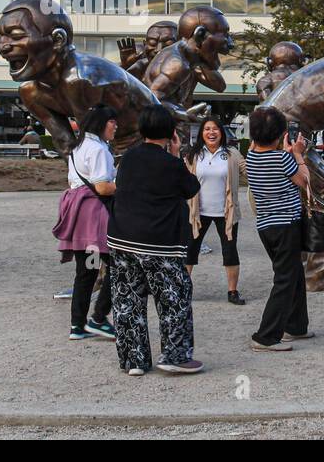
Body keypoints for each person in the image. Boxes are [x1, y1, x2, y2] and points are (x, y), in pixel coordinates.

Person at [108, 105, 203, 374]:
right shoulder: (171, 165)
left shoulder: (127, 159)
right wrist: (176, 155)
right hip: (159, 242)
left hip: (122, 237)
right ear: (171, 132)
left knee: (127, 300)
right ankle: (175, 356)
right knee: (174, 299)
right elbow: (191, 188)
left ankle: (133, 360)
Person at [244, 105, 313, 352]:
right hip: (286, 225)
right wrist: (298, 154)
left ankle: (296, 325)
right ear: (280, 133)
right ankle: (266, 335)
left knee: (293, 273)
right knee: (285, 278)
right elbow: (304, 182)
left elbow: (257, 145)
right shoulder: (283, 158)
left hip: (266, 225)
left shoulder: (251, 156)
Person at [52, 105, 117, 341]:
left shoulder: (79, 147)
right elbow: (102, 186)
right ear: (101, 123)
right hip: (95, 213)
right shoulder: (98, 149)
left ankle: (77, 326)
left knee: (86, 270)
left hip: (79, 212)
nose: (116, 126)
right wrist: (129, 186)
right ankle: (99, 317)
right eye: (112, 121)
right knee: (119, 264)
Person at [184, 116, 247, 305]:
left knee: (230, 252)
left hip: (225, 212)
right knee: (189, 252)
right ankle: (184, 290)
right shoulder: (193, 155)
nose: (211, 132)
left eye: (215, 129)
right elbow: (183, 179)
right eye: (207, 129)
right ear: (201, 133)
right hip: (198, 212)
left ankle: (232, 292)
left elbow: (249, 171)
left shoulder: (232, 154)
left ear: (222, 132)